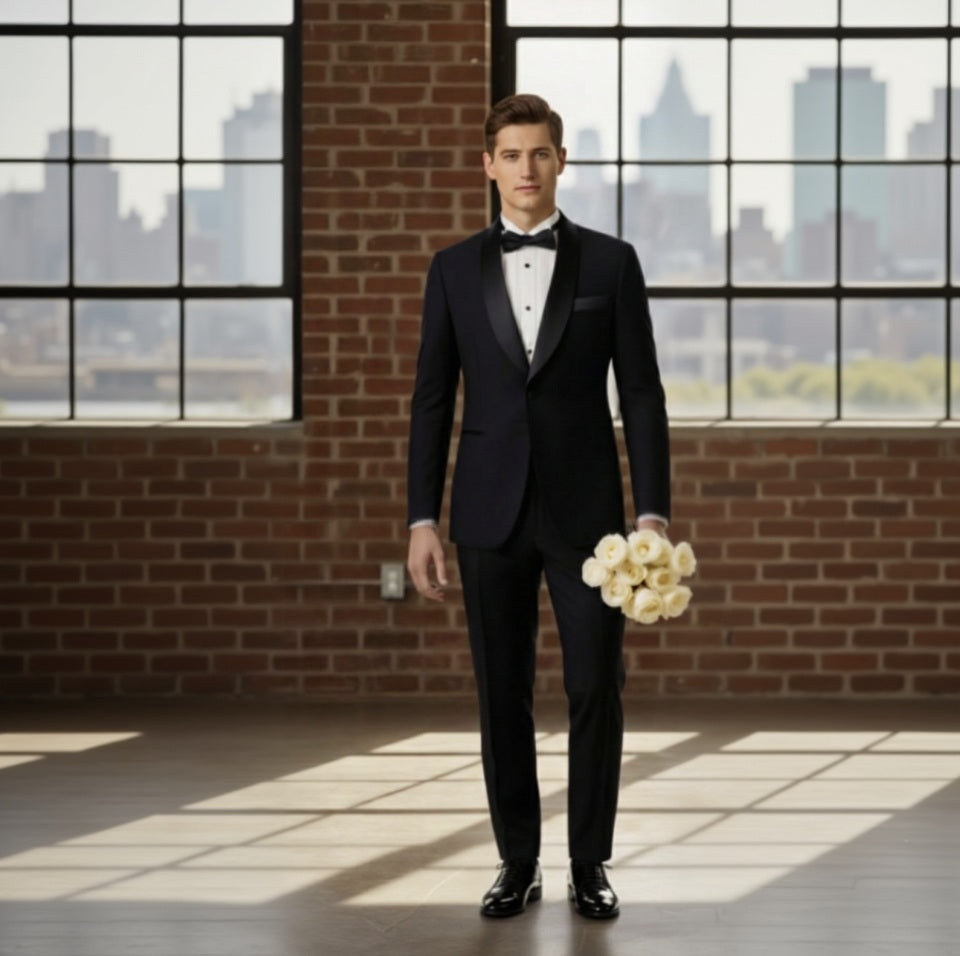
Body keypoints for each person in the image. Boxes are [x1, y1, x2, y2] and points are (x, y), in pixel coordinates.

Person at [406, 93, 671, 920]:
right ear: (488, 166)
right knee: (502, 693)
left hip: (591, 517)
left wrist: (653, 514)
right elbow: (430, 402)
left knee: (597, 685)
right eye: (511, 155)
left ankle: (589, 862)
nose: (526, 169)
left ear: (562, 162)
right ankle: (517, 862)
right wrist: (422, 518)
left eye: (540, 153)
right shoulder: (451, 269)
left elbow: (643, 394)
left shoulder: (610, 264)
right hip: (486, 514)